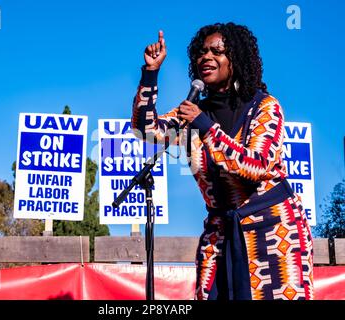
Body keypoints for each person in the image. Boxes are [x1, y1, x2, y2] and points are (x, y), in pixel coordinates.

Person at [131, 22, 313, 300]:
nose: (206, 57)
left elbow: (257, 164)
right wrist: (150, 74)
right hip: (220, 234)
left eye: (217, 51)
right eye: (202, 52)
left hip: (273, 232)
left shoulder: (264, 107)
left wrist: (204, 126)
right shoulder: (191, 114)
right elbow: (146, 130)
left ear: (235, 60)